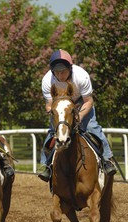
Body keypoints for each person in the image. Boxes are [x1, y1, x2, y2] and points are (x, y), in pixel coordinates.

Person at [38, 49, 117, 182]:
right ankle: (47, 166)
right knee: (53, 132)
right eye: (57, 72)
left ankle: (107, 160)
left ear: (70, 68)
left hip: (81, 103)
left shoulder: (81, 76)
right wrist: (54, 112)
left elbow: (89, 101)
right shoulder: (47, 80)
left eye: (63, 71)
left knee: (92, 128)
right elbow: (49, 104)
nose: (60, 75)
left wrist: (78, 116)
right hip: (60, 107)